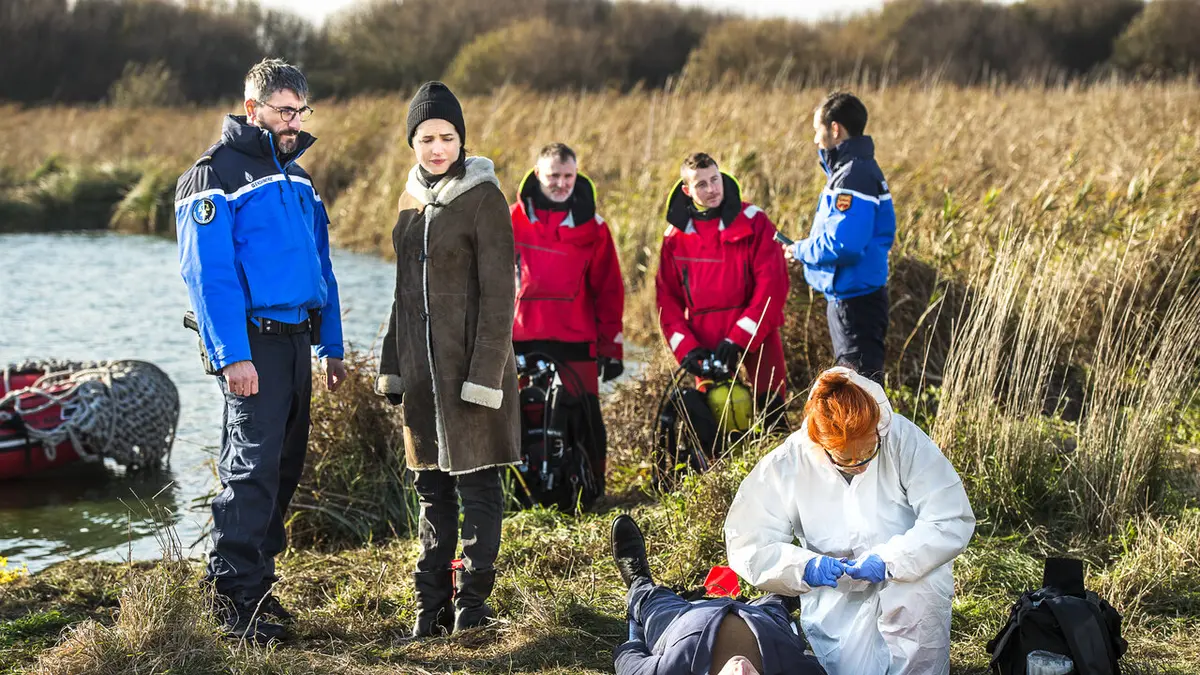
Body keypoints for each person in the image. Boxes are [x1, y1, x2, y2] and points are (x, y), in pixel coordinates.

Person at [175, 58, 346, 643]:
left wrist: (332, 344)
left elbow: (322, 267)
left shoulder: (299, 178)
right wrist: (232, 356)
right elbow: (209, 276)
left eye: (301, 110)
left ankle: (259, 591)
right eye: (284, 111)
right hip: (254, 348)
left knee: (282, 470)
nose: (295, 121)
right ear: (253, 109)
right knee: (249, 474)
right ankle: (230, 606)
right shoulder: (213, 174)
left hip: (300, 343)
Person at [375, 81, 520, 638]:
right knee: (431, 492)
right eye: (427, 137)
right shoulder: (408, 198)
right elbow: (400, 292)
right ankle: (428, 610)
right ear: (413, 141)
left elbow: (500, 298)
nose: (438, 148)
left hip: (469, 376)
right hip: (420, 374)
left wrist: (484, 377)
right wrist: (393, 363)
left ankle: (472, 611)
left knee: (478, 489)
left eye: (448, 137)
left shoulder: (485, 198)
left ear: (462, 139)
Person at [724, 367, 975, 675]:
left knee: (917, 616)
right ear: (821, 442)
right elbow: (747, 542)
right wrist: (805, 568)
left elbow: (949, 517)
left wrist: (891, 560)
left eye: (868, 454)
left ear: (878, 429)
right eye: (845, 459)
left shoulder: (902, 440)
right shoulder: (789, 463)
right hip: (837, 596)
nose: (858, 466)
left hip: (910, 576)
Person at [511, 142, 625, 499]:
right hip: (521, 337)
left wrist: (612, 348)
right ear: (538, 174)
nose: (561, 184)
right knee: (521, 417)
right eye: (553, 177)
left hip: (576, 340)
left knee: (586, 420)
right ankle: (519, 494)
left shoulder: (595, 225)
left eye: (568, 176)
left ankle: (592, 493)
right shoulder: (509, 218)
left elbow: (609, 290)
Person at [655, 153, 790, 427]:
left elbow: (772, 287)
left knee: (773, 415)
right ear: (687, 190)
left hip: (757, 332)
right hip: (704, 339)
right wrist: (688, 351)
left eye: (715, 180)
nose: (712, 189)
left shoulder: (754, 221)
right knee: (718, 420)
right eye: (701, 184)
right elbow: (666, 303)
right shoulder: (674, 238)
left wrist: (739, 338)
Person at [610, 514, 827, 675]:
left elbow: (628, 662)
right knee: (780, 600)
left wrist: (636, 640)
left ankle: (638, 579)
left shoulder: (673, 670)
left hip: (677, 620)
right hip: (761, 616)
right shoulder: (793, 667)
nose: (742, 670)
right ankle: (787, 596)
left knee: (651, 601)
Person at [784, 92, 895, 384]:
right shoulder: (853, 170)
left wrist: (800, 250)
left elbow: (844, 245)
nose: (815, 141)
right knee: (861, 394)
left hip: (856, 304)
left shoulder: (853, 175)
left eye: (817, 130)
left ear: (835, 129)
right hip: (853, 300)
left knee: (861, 397)